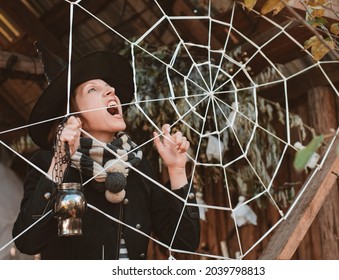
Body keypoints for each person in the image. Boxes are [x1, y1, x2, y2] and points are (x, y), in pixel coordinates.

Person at [12, 45, 200, 260]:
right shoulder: (47, 163)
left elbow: (184, 243)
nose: (111, 91)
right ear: (74, 116)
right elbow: (27, 241)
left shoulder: (139, 166)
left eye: (109, 87)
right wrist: (60, 162)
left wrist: (177, 170)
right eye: (93, 89)